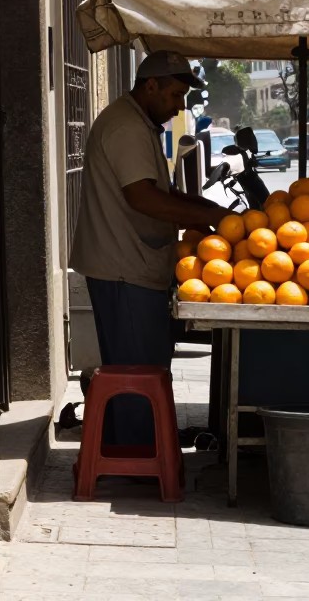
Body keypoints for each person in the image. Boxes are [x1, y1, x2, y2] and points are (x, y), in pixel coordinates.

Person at [70, 51, 233, 446]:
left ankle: (138, 445)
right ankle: (137, 456)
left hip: (133, 264)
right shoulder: (126, 127)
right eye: (175, 95)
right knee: (136, 372)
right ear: (151, 86)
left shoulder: (140, 124)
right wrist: (204, 216)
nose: (180, 106)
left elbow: (162, 192)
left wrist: (203, 210)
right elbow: (143, 197)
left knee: (142, 366)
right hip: (124, 268)